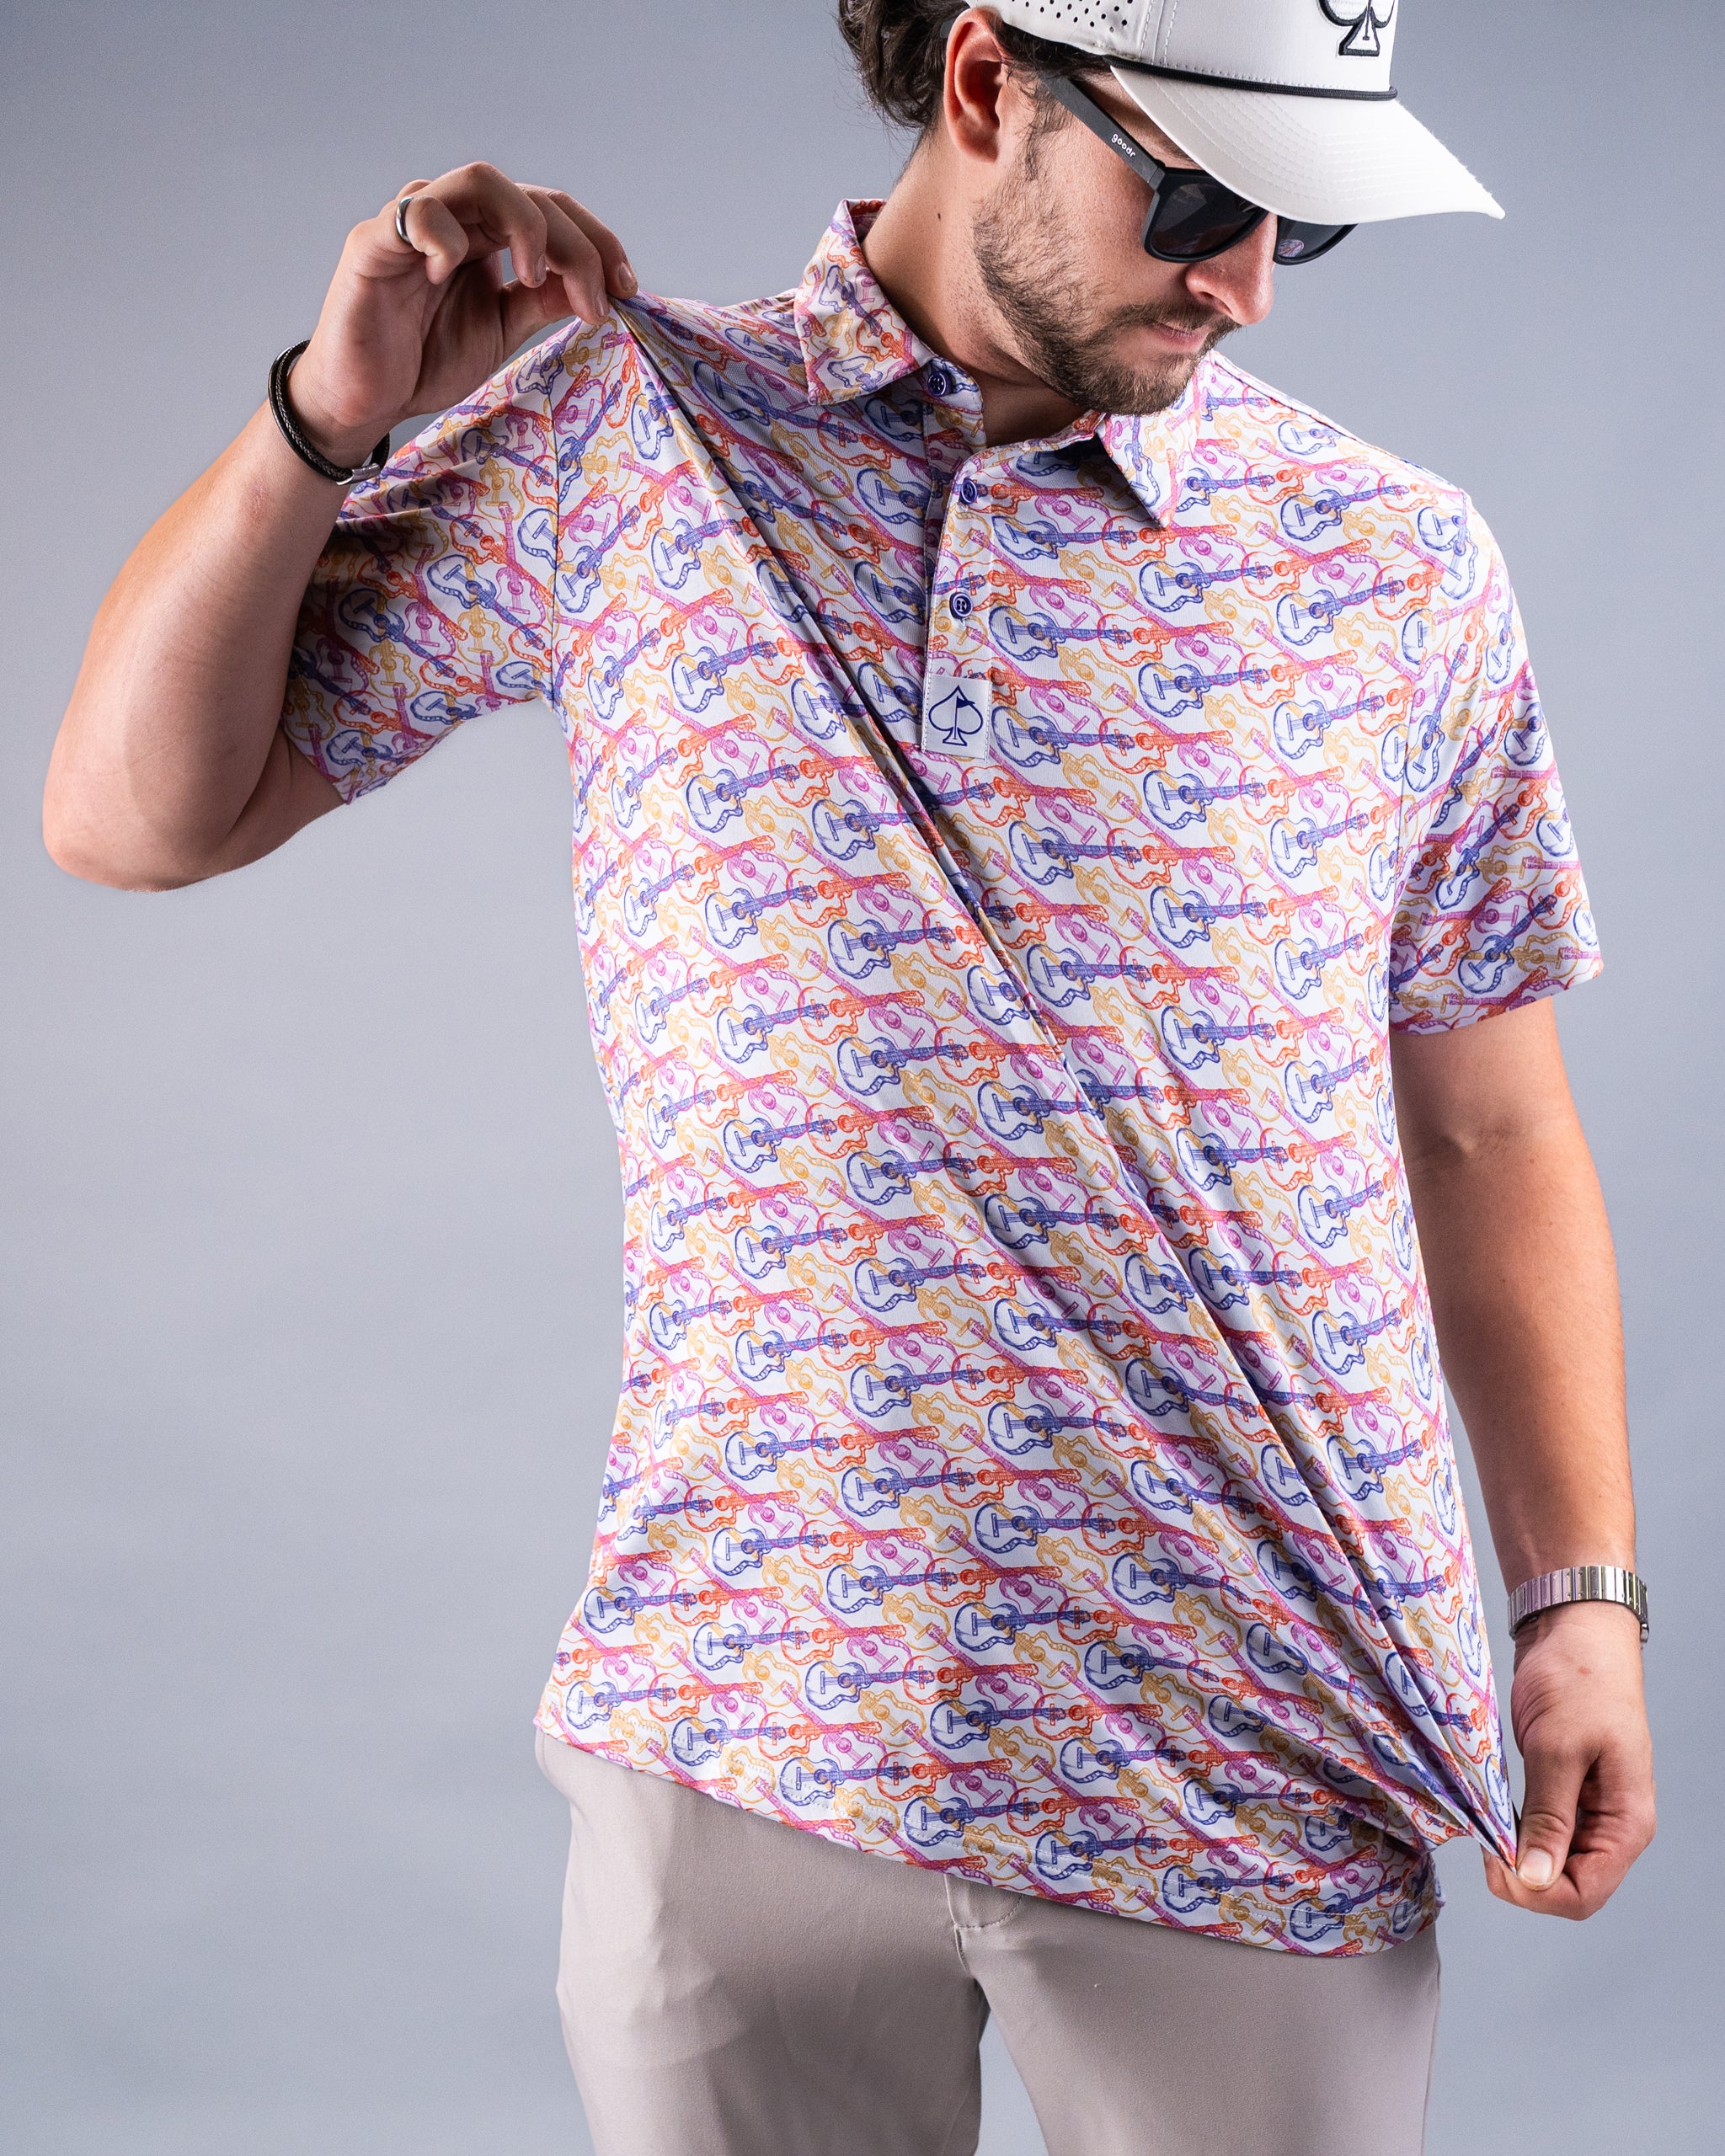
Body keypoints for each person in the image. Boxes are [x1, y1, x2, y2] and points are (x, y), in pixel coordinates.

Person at [44, 3, 1655, 2150]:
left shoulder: (1396, 566)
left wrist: (1580, 1605)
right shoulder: (632, 435)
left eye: (1308, 226)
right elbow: (132, 812)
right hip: (736, 1725)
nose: (1248, 277)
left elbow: (1488, 1117)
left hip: (1251, 1758)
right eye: (1197, 197)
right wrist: (320, 420)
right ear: (987, 83)